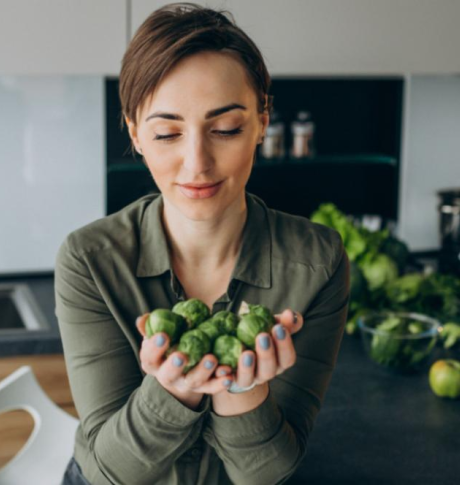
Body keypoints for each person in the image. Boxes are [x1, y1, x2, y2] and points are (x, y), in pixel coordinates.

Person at [55, 3, 350, 484]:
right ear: (135, 133)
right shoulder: (90, 261)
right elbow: (109, 472)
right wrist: (172, 391)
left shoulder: (318, 262)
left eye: (226, 129)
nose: (197, 164)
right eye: (167, 133)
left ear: (261, 121)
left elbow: (269, 472)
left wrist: (242, 386)